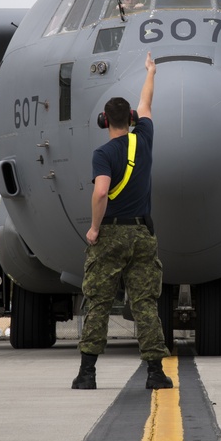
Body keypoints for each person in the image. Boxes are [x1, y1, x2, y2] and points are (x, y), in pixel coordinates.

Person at [72, 51, 173, 391]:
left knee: (99, 302)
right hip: (142, 234)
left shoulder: (103, 154)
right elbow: (147, 102)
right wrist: (151, 72)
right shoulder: (144, 139)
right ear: (130, 118)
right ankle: (156, 373)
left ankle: (87, 374)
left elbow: (101, 193)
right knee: (145, 304)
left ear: (105, 120)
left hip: (111, 235)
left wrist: (95, 228)